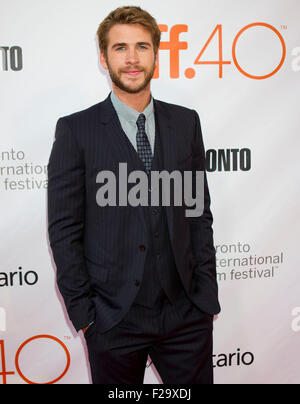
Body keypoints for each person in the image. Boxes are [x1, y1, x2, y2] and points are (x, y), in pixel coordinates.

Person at [47, 5, 220, 384]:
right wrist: (87, 315)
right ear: (103, 58)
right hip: (112, 320)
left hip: (185, 316)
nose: (131, 59)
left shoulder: (186, 121)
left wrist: (204, 294)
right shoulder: (77, 130)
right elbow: (63, 230)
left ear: (156, 54)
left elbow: (197, 213)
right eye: (120, 48)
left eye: (141, 47)